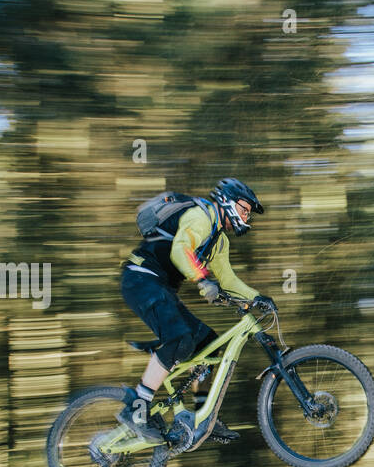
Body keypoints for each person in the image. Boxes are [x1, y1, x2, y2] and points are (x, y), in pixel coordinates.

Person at [117, 177, 273, 449]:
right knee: (180, 339)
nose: (246, 217)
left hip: (161, 287)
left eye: (248, 213)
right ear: (226, 200)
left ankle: (204, 419)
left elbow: (228, 281)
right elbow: (180, 250)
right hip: (140, 278)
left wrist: (258, 298)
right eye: (244, 209)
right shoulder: (201, 215)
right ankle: (136, 409)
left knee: (209, 345)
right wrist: (202, 280)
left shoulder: (219, 241)